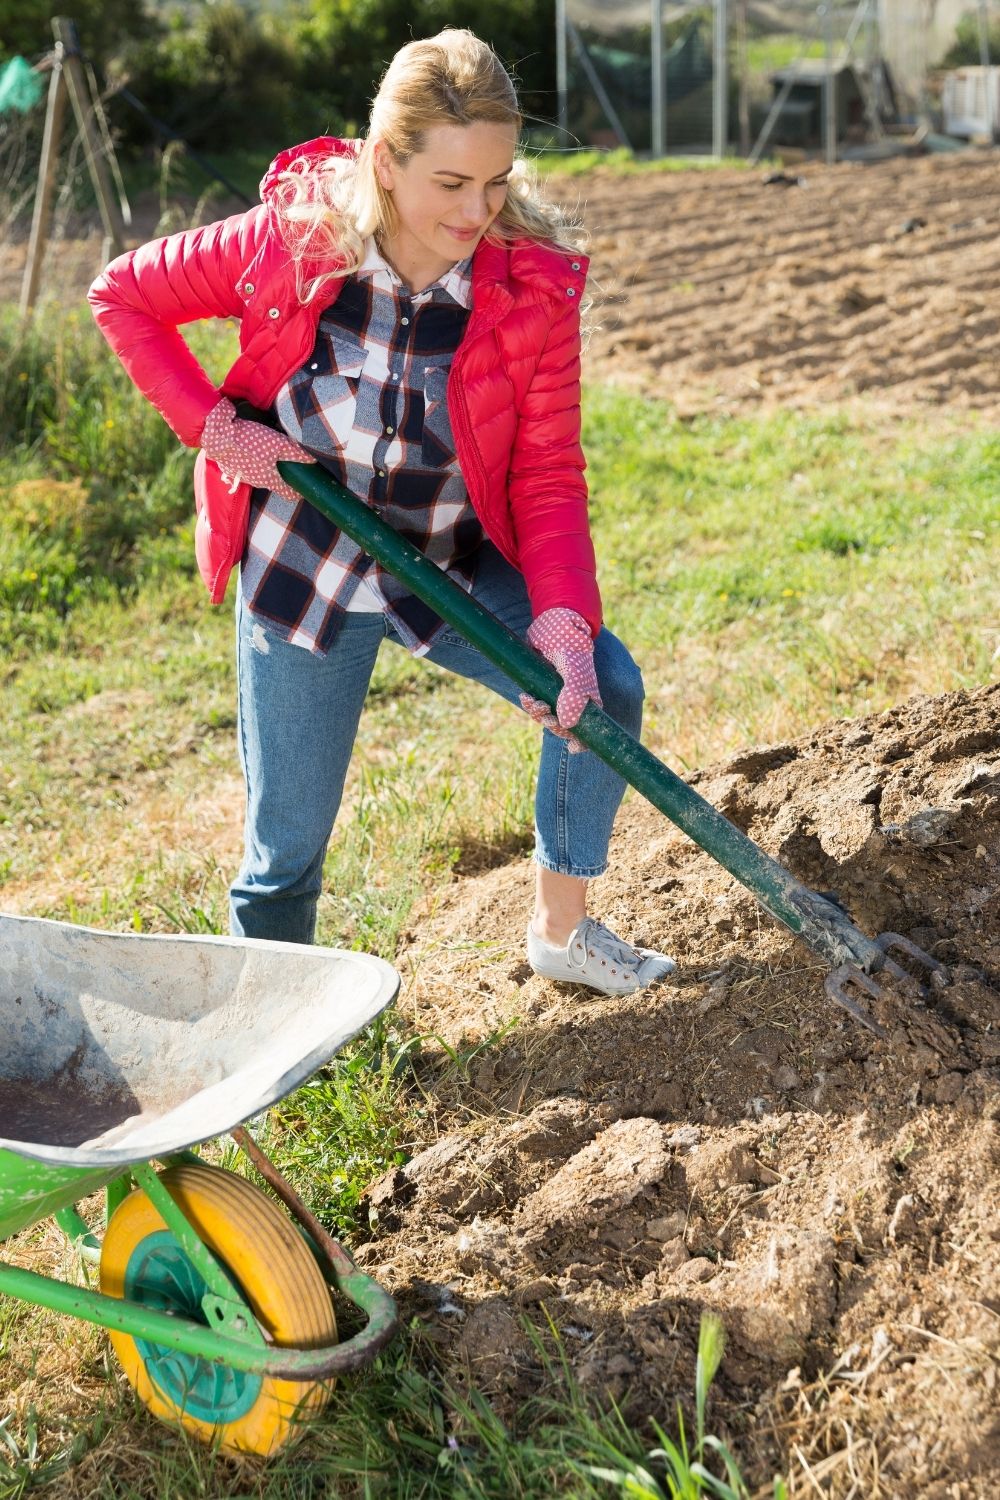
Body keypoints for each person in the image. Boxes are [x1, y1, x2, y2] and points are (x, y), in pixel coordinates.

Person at [88, 28, 674, 997]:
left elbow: (547, 472)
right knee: (285, 852)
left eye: (494, 183)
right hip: (306, 566)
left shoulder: (529, 282)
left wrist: (563, 618)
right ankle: (271, 1028)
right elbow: (123, 295)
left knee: (600, 686)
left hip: (440, 561)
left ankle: (562, 934)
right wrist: (216, 431)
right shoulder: (293, 238)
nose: (476, 211)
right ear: (384, 163)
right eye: (450, 184)